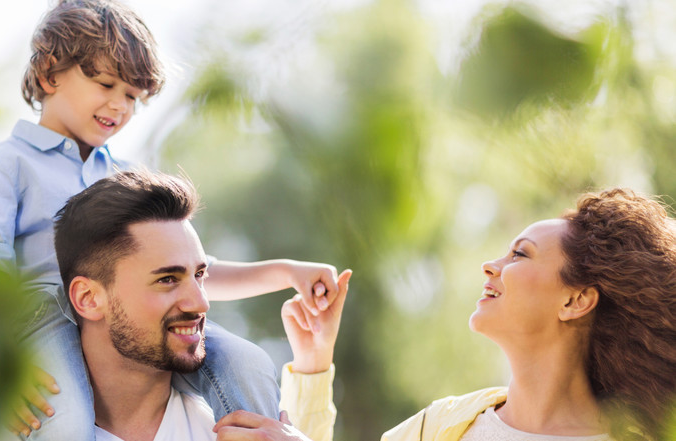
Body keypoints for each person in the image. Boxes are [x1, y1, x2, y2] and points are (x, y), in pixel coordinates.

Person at [0, 0, 343, 441]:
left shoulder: (123, 177)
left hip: (134, 318)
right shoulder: (5, 164)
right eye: (105, 86)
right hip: (45, 323)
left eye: (133, 96)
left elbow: (183, 275)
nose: (120, 106)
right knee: (65, 424)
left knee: (248, 363)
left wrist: (286, 272)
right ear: (47, 74)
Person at [216, 188, 676, 441]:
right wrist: (315, 362)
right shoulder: (442, 426)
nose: (491, 265)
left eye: (520, 254)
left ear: (575, 301)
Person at [0, 168, 351, 441]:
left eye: (199, 275)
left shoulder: (240, 426)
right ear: (87, 298)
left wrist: (313, 363)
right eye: (167, 279)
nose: (201, 302)